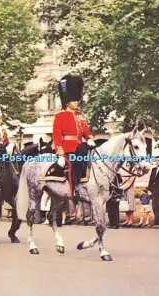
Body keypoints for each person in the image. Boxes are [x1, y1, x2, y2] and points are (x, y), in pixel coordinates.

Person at [52, 74, 95, 203]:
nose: (77, 102)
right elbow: (56, 136)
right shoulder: (60, 116)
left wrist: (89, 138)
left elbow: (86, 131)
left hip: (81, 147)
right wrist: (60, 154)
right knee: (73, 163)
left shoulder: (80, 115)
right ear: (67, 101)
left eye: (77, 99)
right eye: (74, 100)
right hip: (68, 148)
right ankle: (75, 188)